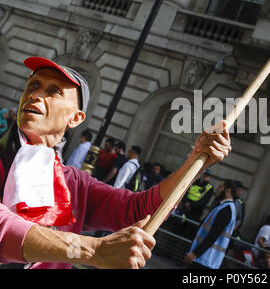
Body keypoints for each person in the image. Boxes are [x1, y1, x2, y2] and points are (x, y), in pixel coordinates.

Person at [0, 56, 232, 269]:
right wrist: (94, 250)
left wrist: (195, 162)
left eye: (54, 91)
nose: (36, 95)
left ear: (76, 118)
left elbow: (137, 210)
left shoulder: (75, 184)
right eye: (33, 85)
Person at [183, 179, 237, 269]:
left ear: (228, 190)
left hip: (204, 260)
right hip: (205, 259)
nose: (217, 189)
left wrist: (194, 254)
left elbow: (213, 236)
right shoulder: (224, 207)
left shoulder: (226, 209)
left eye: (220, 187)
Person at [179, 169, 215, 239]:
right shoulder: (194, 182)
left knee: (187, 232)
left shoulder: (209, 187)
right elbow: (184, 192)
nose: (205, 176)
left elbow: (204, 201)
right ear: (201, 174)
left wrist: (190, 205)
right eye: (204, 174)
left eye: (207, 175)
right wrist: (186, 203)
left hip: (195, 213)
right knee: (177, 227)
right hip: (184, 209)